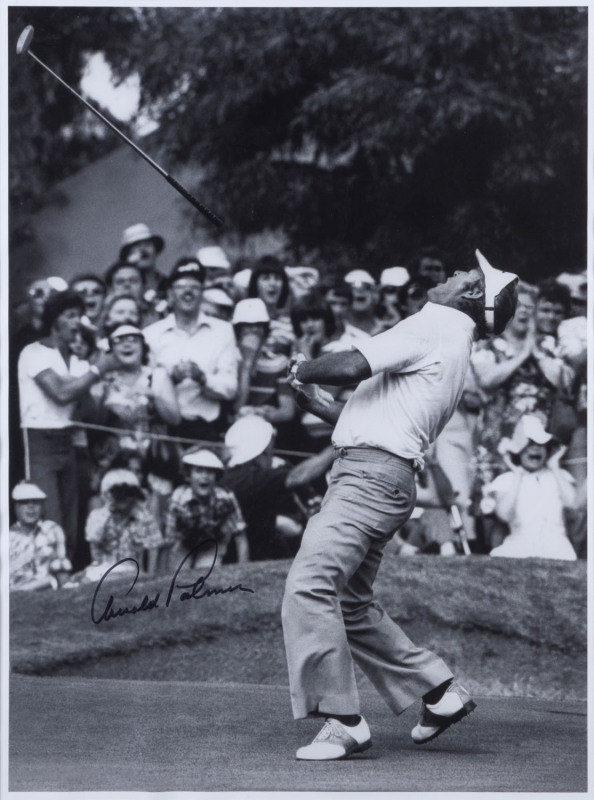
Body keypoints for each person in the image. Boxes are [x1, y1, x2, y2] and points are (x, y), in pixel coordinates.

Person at [281, 251, 519, 760]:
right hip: (384, 477)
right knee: (349, 605)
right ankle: (438, 691)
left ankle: (343, 720)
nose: (455, 274)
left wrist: (305, 366)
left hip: (367, 479)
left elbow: (348, 365)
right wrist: (318, 404)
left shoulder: (437, 322)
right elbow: (375, 416)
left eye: (466, 276)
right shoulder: (454, 340)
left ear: (473, 296)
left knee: (309, 585)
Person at [17, 289, 118, 565]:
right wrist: (97, 371)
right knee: (48, 516)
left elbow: (91, 416)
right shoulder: (34, 352)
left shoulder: (76, 362)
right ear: (54, 319)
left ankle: (65, 581)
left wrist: (93, 379)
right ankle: (43, 581)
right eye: (70, 315)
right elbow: (60, 393)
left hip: (70, 442)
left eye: (80, 316)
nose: (76, 322)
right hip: (40, 442)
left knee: (71, 523)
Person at [143, 257, 240, 442]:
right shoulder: (151, 334)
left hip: (209, 429)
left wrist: (202, 378)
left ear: (202, 293)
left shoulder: (223, 330)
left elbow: (230, 388)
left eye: (194, 287)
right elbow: (143, 385)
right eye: (181, 287)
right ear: (170, 294)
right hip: (163, 430)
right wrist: (169, 379)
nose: (188, 292)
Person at [219, 415, 334, 562]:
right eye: (270, 447)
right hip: (244, 554)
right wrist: (337, 446)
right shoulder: (253, 477)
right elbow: (297, 477)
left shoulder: (233, 474)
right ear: (264, 450)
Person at [480, 415, 576, 561]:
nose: (535, 448)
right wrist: (517, 474)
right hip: (519, 547)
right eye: (529, 443)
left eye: (541, 444)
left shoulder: (560, 476)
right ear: (518, 450)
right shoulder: (507, 480)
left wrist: (555, 467)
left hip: (558, 548)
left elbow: (572, 504)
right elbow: (504, 514)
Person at [165, 447, 248, 568]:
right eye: (198, 471)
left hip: (211, 544)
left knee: (206, 576)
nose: (204, 476)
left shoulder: (226, 498)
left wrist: (244, 570)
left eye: (209, 472)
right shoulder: (177, 500)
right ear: (188, 476)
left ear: (216, 477)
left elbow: (240, 535)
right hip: (183, 545)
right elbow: (169, 540)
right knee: (179, 577)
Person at [84, 468, 163, 574]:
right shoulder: (98, 516)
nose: (124, 496)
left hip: (134, 571)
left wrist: (150, 576)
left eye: (129, 492)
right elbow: (94, 543)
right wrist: (109, 509)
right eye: (118, 491)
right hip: (104, 570)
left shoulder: (143, 517)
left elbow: (154, 546)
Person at [9, 481, 72, 591]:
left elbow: (61, 568)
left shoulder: (52, 529)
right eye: (24, 503)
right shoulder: (8, 537)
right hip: (16, 591)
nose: (31, 507)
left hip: (47, 587)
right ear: (16, 507)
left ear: (43, 505)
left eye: (36, 502)